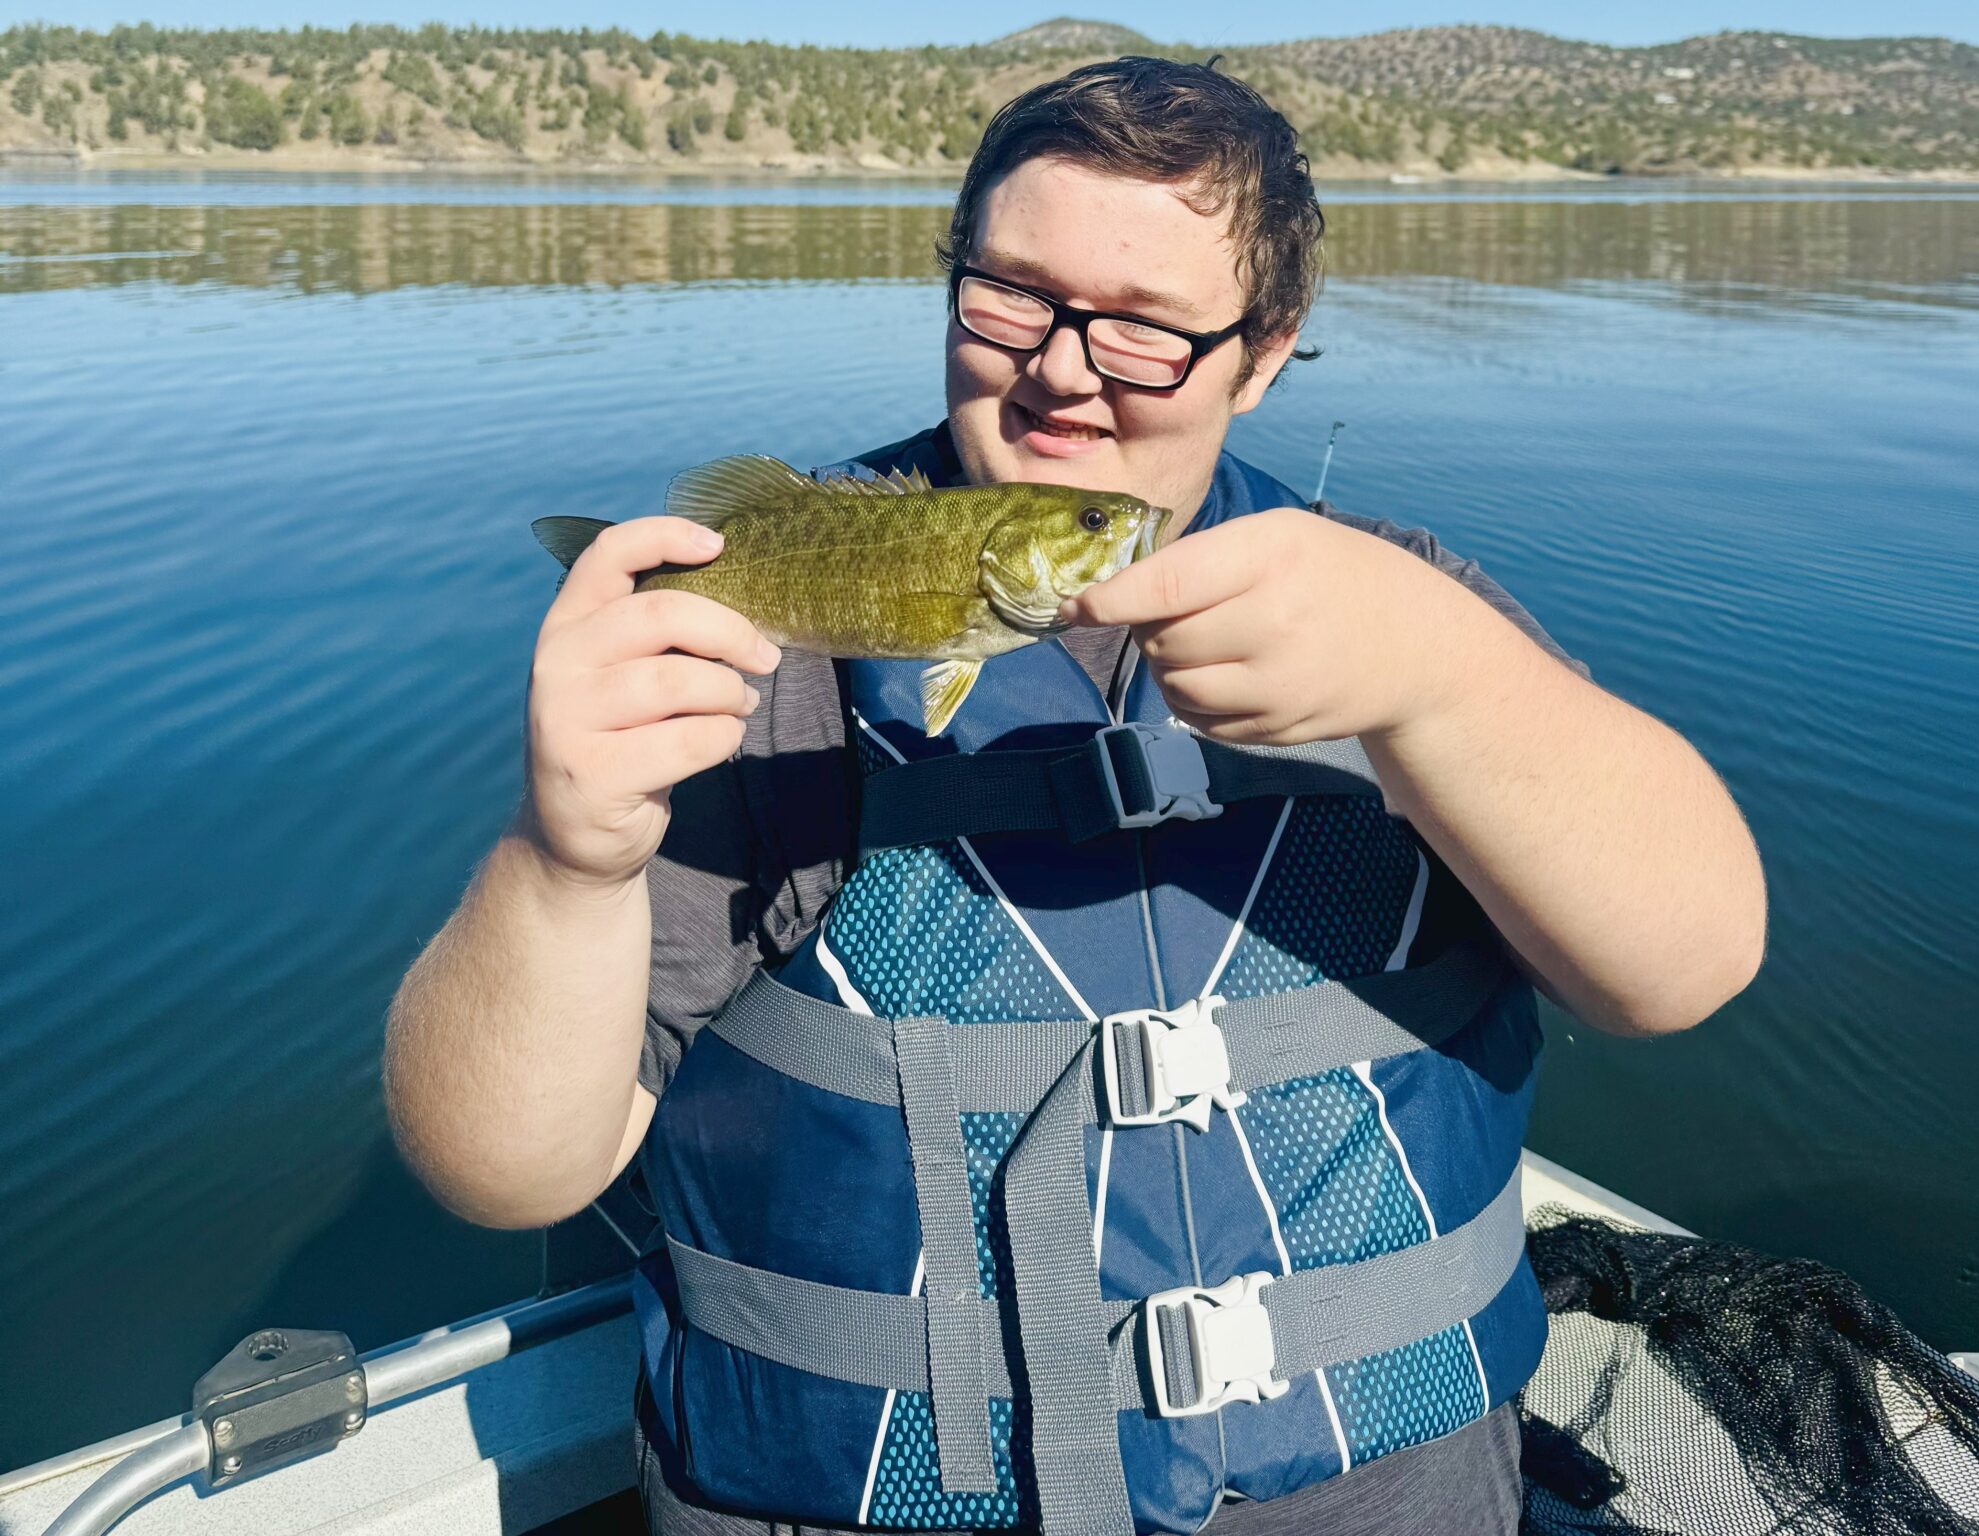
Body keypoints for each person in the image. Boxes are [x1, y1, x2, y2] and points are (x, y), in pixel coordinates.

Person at [384, 57, 1766, 1536]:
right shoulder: (761, 663)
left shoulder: (1411, 621)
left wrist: (1452, 685)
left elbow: (1682, 967)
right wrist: (565, 863)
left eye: (1150, 331)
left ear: (1265, 350)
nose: (1059, 367)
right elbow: (502, 1167)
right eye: (1010, 296)